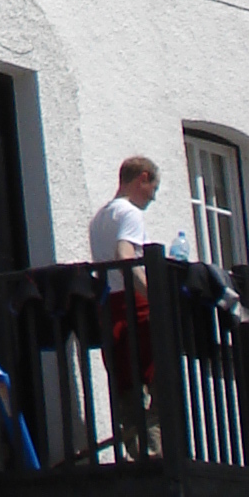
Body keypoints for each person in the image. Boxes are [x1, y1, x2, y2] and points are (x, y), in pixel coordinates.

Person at [92, 155, 163, 459]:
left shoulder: (99, 218)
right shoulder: (130, 213)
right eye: (153, 187)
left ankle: (139, 454)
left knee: (127, 387)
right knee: (159, 380)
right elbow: (125, 255)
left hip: (110, 309)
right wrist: (155, 295)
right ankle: (158, 454)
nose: (154, 196)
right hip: (135, 306)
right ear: (142, 178)